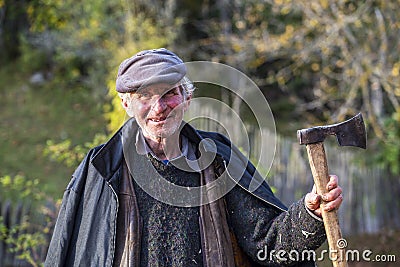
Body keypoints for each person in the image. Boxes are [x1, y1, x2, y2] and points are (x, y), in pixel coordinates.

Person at [45, 48, 343, 267]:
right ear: (126, 103)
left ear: (187, 97)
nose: (159, 107)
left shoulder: (218, 162)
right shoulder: (102, 170)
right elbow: (69, 254)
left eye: (168, 93)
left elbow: (269, 244)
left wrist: (310, 211)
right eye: (145, 96)